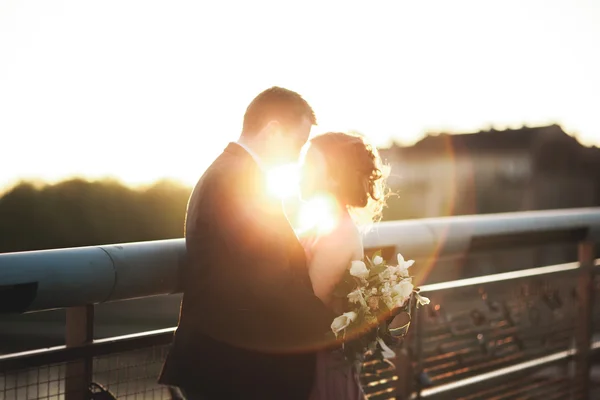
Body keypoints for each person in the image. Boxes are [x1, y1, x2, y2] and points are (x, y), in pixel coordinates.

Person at [158, 87, 336, 399]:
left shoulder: (234, 172)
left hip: (230, 362)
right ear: (273, 131)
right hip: (236, 369)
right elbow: (268, 278)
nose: (298, 157)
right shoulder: (238, 180)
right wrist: (334, 324)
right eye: (298, 144)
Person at [297, 132, 389, 400]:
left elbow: (309, 305)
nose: (300, 174)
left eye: (310, 165)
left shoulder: (338, 233)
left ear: (334, 176)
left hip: (319, 370)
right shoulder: (323, 223)